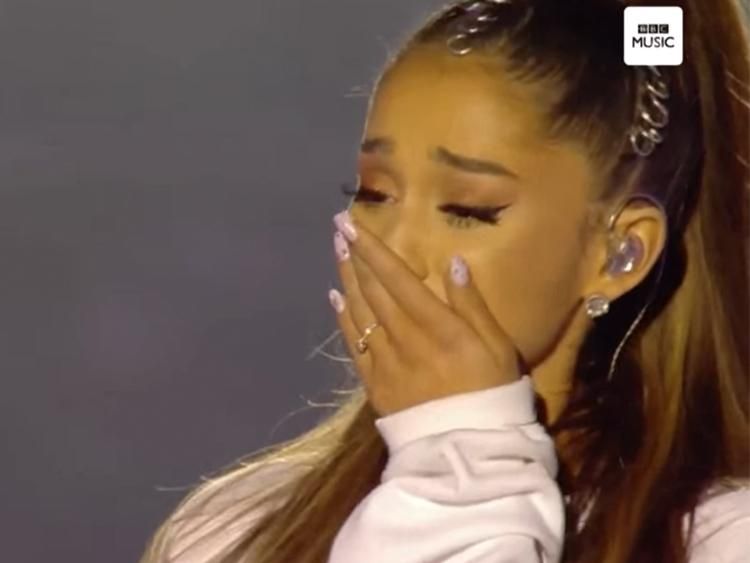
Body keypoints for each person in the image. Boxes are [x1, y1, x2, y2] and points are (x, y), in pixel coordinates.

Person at [139, 0, 750, 561]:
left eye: (467, 209)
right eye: (373, 193)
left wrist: (461, 455)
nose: (394, 249)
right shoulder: (232, 531)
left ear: (621, 252)